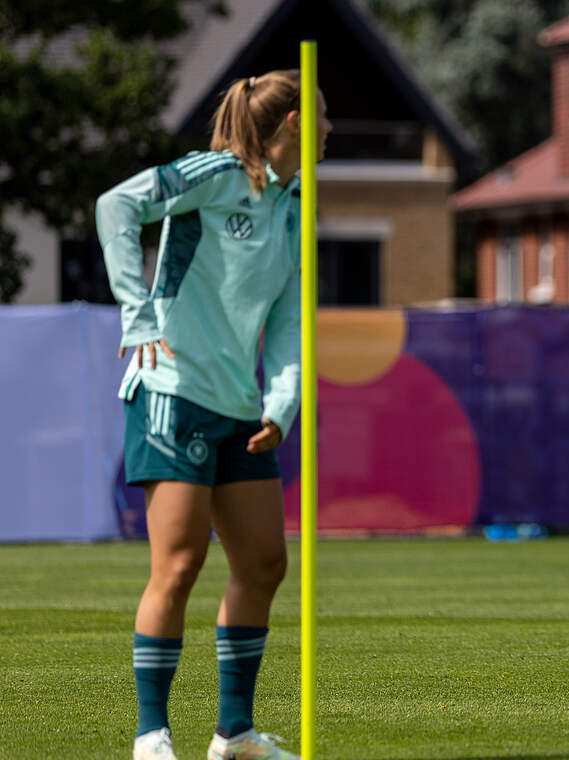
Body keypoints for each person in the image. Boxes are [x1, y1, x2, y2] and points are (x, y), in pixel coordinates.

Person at [96, 69, 331, 760]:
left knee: (263, 563)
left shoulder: (295, 207)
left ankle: (234, 735)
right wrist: (137, 317)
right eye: (322, 117)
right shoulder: (215, 174)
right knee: (179, 564)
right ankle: (151, 736)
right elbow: (116, 205)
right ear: (294, 124)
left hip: (239, 409)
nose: (329, 131)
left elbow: (288, 320)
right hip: (171, 392)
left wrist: (282, 405)